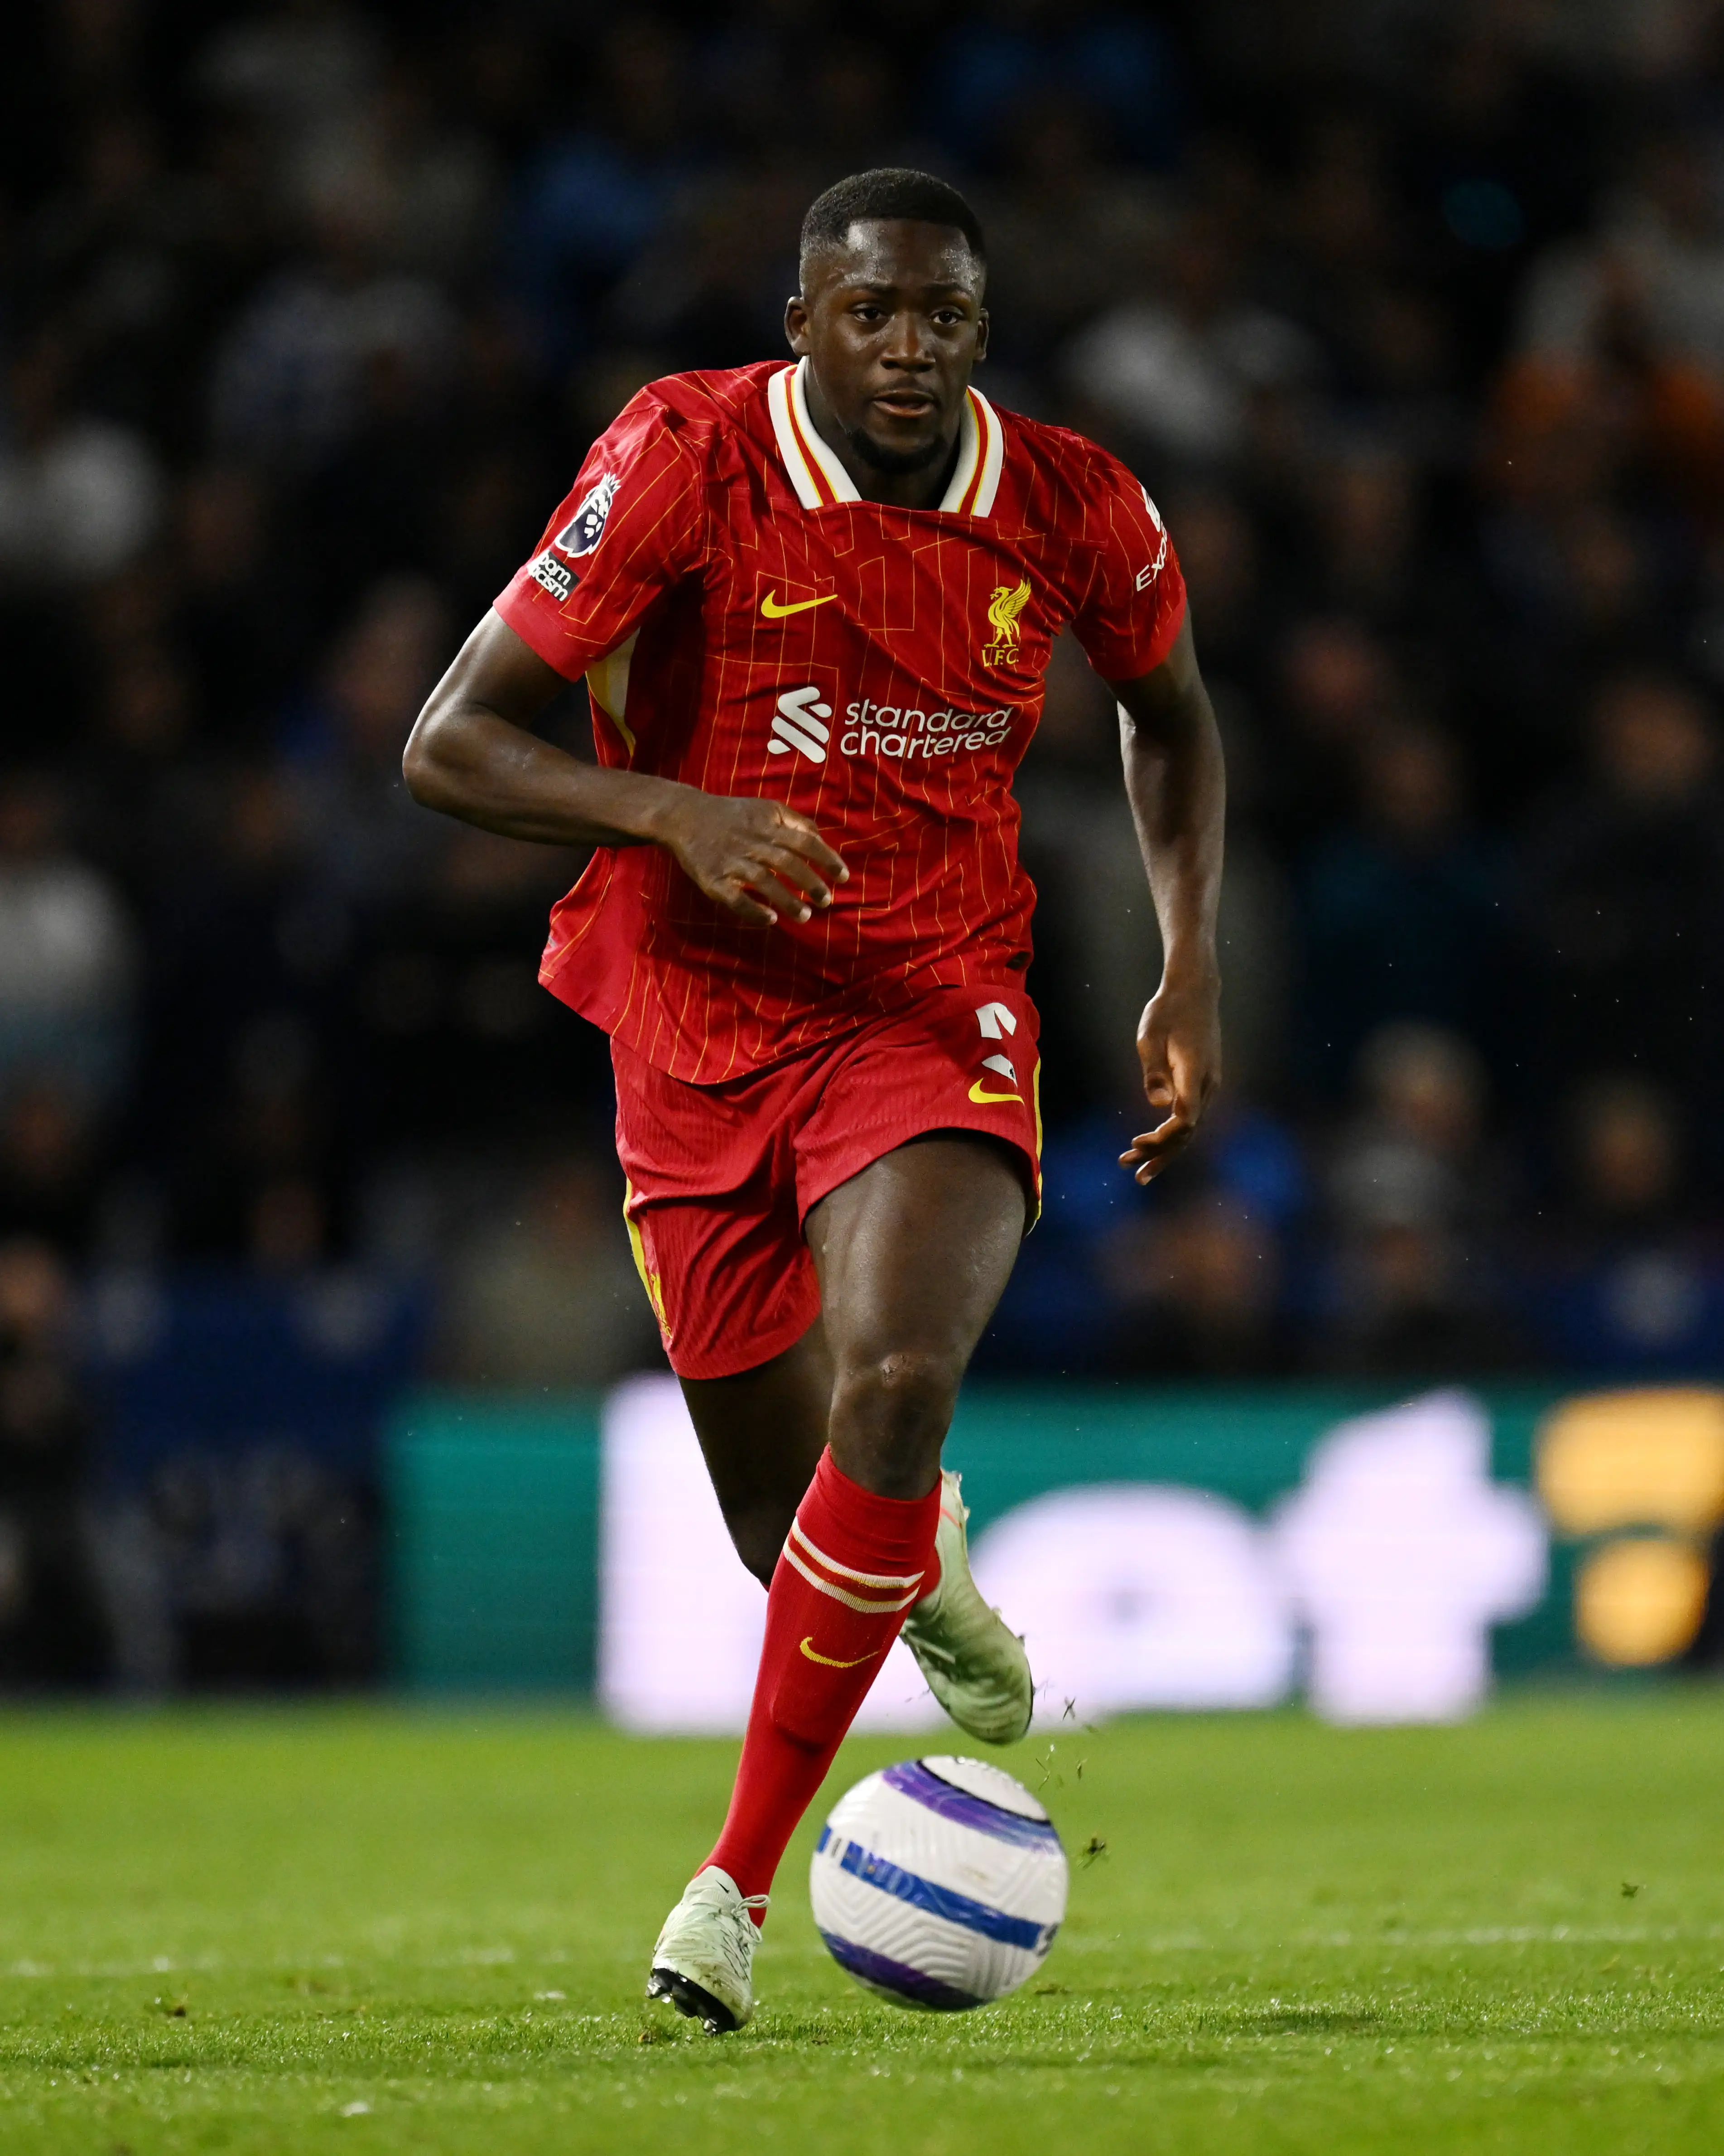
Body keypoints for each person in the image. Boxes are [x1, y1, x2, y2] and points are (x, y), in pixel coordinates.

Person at [403, 169, 1223, 2033]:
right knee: (791, 1535)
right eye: (873, 314)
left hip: (938, 1003)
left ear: (981, 330)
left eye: (942, 315)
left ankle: (731, 1889)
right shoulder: (688, 456)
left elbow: (1171, 719)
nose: (910, 348)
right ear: (805, 327)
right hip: (694, 1024)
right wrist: (674, 811)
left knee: (900, 1372)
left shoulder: (1078, 500)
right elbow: (447, 736)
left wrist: (1189, 962)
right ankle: (912, 1547)